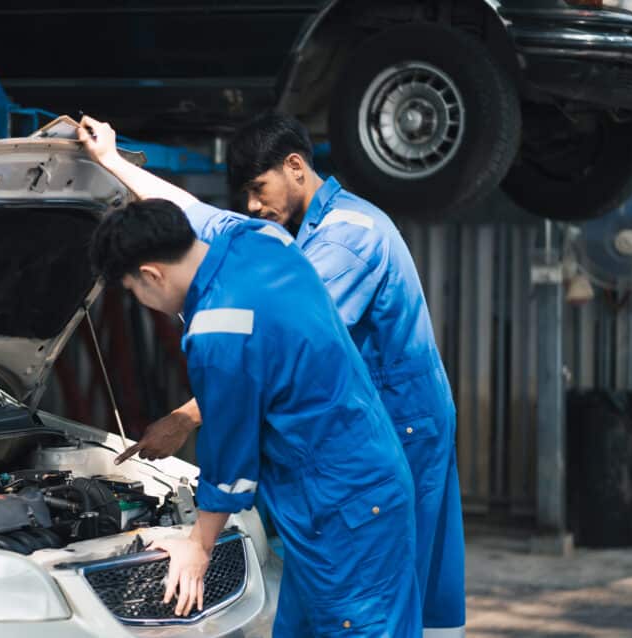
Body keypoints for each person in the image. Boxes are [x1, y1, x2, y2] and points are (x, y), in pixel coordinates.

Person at [83, 113, 465, 636]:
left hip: (346, 499)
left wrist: (197, 544)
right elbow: (192, 211)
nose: (141, 302)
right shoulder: (260, 241)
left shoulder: (223, 329)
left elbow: (230, 454)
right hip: (350, 475)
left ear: (150, 274)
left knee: (365, 620)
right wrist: (111, 160)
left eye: (133, 291)